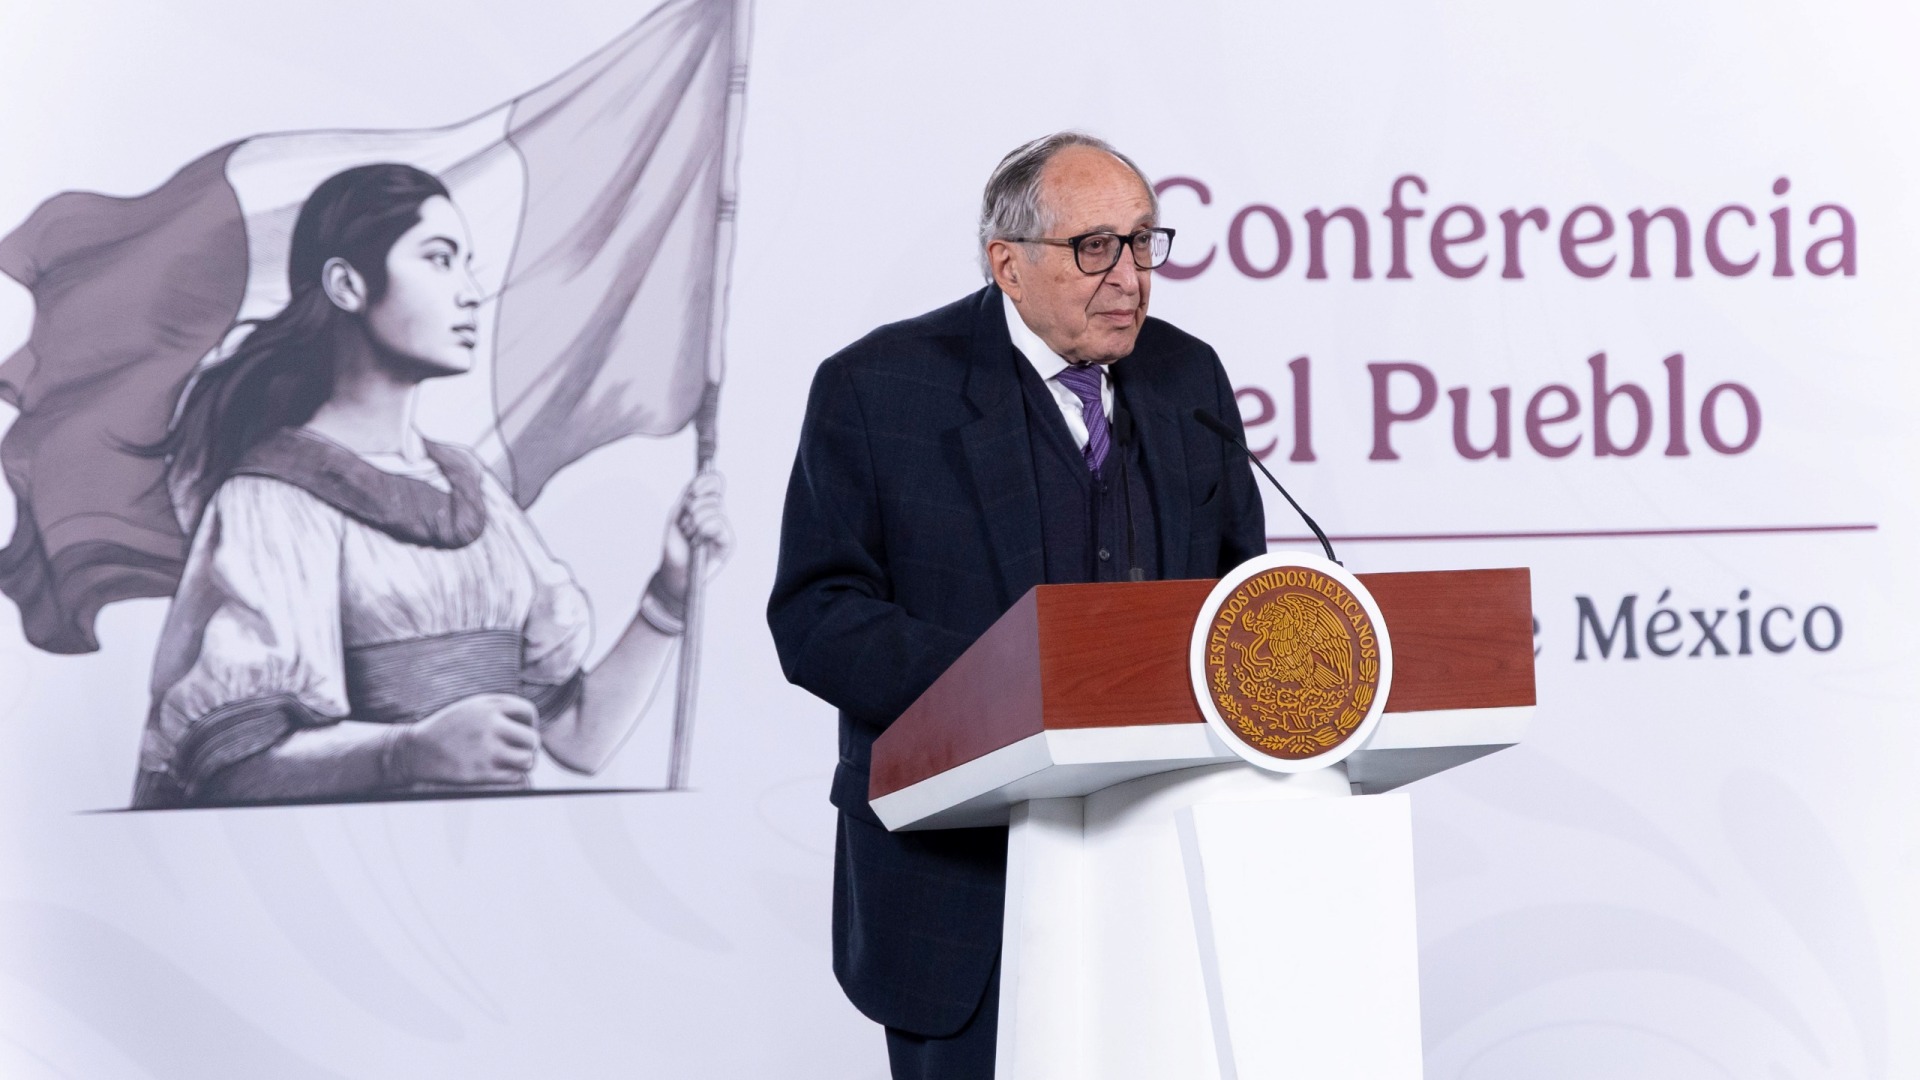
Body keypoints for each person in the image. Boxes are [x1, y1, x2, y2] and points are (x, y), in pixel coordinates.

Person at [768, 133, 1266, 1078]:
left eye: (1143, 242)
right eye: (1096, 248)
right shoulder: (878, 389)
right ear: (1008, 264)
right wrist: (1012, 687)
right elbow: (817, 615)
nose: (1130, 278)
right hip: (959, 880)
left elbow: (1241, 592)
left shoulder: (1187, 378)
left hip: (1162, 863)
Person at [131, 162, 730, 808]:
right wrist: (406, 751)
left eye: (467, 264)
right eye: (440, 260)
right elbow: (231, 770)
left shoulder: (474, 491)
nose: (470, 292)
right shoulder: (273, 500)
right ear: (347, 285)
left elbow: (580, 738)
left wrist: (669, 595)